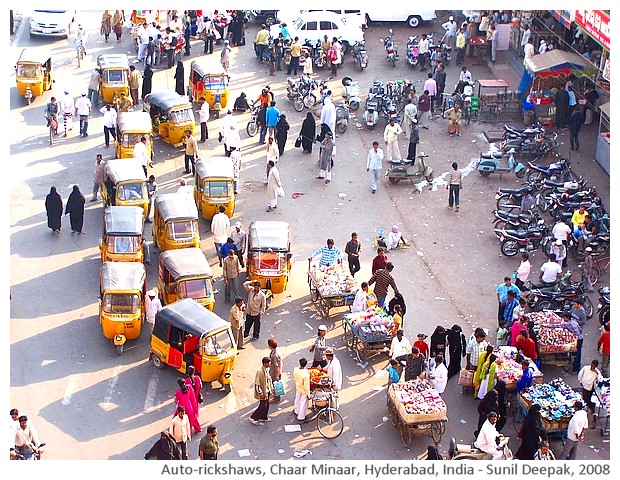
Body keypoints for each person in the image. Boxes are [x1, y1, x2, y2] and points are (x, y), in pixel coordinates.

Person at [250, 357, 273, 424]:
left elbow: (268, 379)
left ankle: (263, 417)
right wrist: (261, 393)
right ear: (265, 363)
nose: (270, 364)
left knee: (267, 404)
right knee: (263, 405)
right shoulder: (259, 372)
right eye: (268, 363)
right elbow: (257, 384)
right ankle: (253, 417)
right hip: (263, 392)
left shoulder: (266, 369)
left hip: (267, 391)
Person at [268, 338, 284, 402]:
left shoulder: (275, 355)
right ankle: (275, 395)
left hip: (275, 372)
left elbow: (276, 366)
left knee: (276, 385)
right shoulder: (277, 349)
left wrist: (276, 376)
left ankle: (276, 398)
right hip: (278, 370)